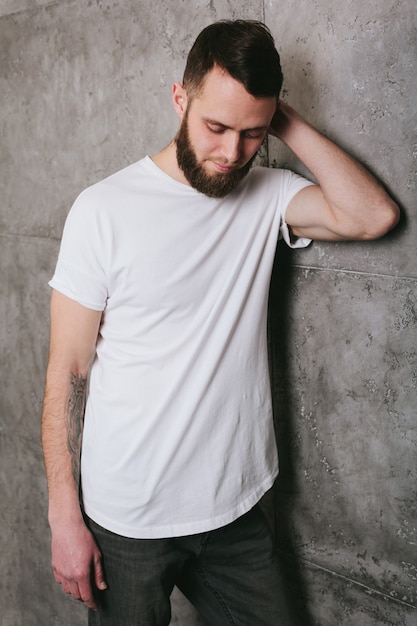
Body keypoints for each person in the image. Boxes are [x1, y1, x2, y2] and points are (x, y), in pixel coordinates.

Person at [41, 19, 399, 626]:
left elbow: (372, 215)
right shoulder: (103, 210)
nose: (231, 153)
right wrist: (63, 516)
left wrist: (278, 117)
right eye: (216, 126)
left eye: (252, 134)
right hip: (128, 517)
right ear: (179, 98)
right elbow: (68, 370)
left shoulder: (266, 193)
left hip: (235, 508)